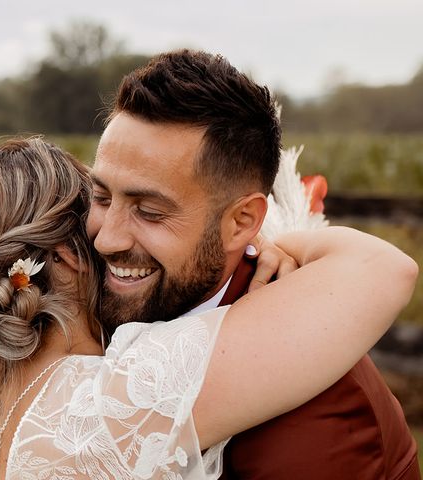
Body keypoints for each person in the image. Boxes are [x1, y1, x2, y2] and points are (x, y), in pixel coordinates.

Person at [0, 136, 417, 480]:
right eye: (97, 214)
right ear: (67, 257)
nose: (112, 239)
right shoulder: (113, 401)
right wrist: (274, 237)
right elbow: (382, 268)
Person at [87, 49, 421, 479]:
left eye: (150, 212)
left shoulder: (319, 426)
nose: (107, 238)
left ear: (241, 222)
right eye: (101, 197)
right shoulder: (78, 279)